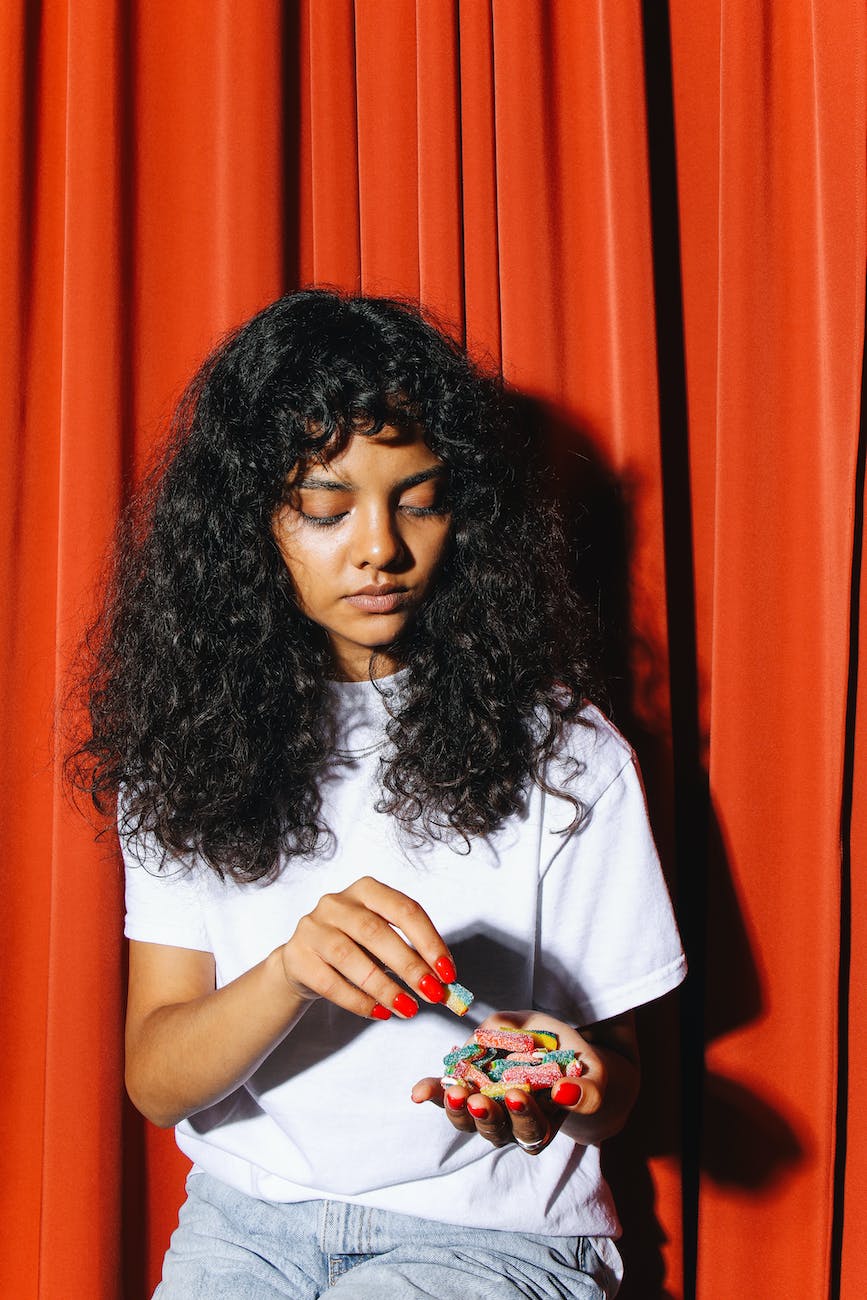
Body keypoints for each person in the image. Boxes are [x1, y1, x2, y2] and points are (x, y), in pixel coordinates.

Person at [70, 289, 686, 1298]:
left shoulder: (568, 752)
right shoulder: (187, 744)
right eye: (325, 507)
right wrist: (291, 973)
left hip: (491, 1234)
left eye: (421, 498)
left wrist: (560, 1080)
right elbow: (156, 1074)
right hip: (245, 1225)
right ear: (250, 523)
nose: (380, 548)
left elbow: (616, 1085)